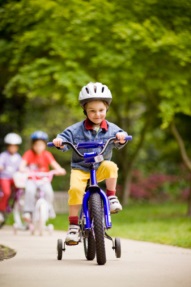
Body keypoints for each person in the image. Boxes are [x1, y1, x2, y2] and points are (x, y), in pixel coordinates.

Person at [52, 82, 128, 244]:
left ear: (106, 109)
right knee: (75, 190)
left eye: (101, 110)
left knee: (111, 166)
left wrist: (122, 138)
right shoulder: (76, 130)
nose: (97, 114)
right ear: (85, 110)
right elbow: (64, 138)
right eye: (92, 111)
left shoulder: (112, 129)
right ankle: (73, 227)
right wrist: (60, 141)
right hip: (80, 169)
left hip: (99, 167)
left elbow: (121, 135)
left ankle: (111, 197)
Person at [19, 131, 66, 223]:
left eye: (41, 145)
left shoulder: (46, 155)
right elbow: (22, 165)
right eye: (36, 145)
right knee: (30, 190)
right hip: (32, 179)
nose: (38, 147)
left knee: (49, 192)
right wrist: (23, 169)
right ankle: (27, 211)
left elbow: (55, 165)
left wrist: (60, 170)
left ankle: (48, 208)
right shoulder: (29, 154)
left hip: (44, 179)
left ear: (45, 145)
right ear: (33, 145)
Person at [0, 133, 22, 227]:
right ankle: (2, 208)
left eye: (14, 146)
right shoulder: (4, 156)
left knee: (21, 189)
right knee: (6, 192)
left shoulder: (18, 157)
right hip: (5, 177)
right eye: (11, 146)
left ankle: (18, 205)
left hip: (14, 179)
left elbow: (21, 167)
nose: (12, 148)